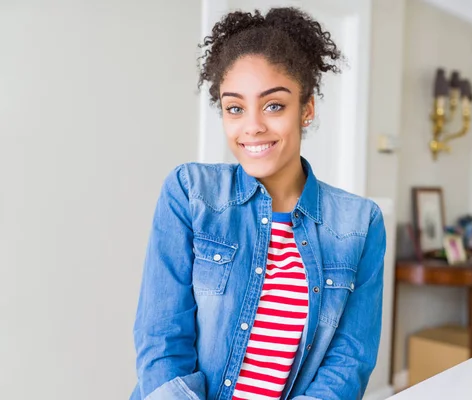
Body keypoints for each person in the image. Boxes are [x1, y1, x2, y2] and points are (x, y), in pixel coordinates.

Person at [131, 7, 386, 400]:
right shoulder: (189, 193)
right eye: (235, 108)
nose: (252, 126)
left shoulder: (359, 224)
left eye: (273, 105)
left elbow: (349, 361)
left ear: (307, 109)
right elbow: (161, 337)